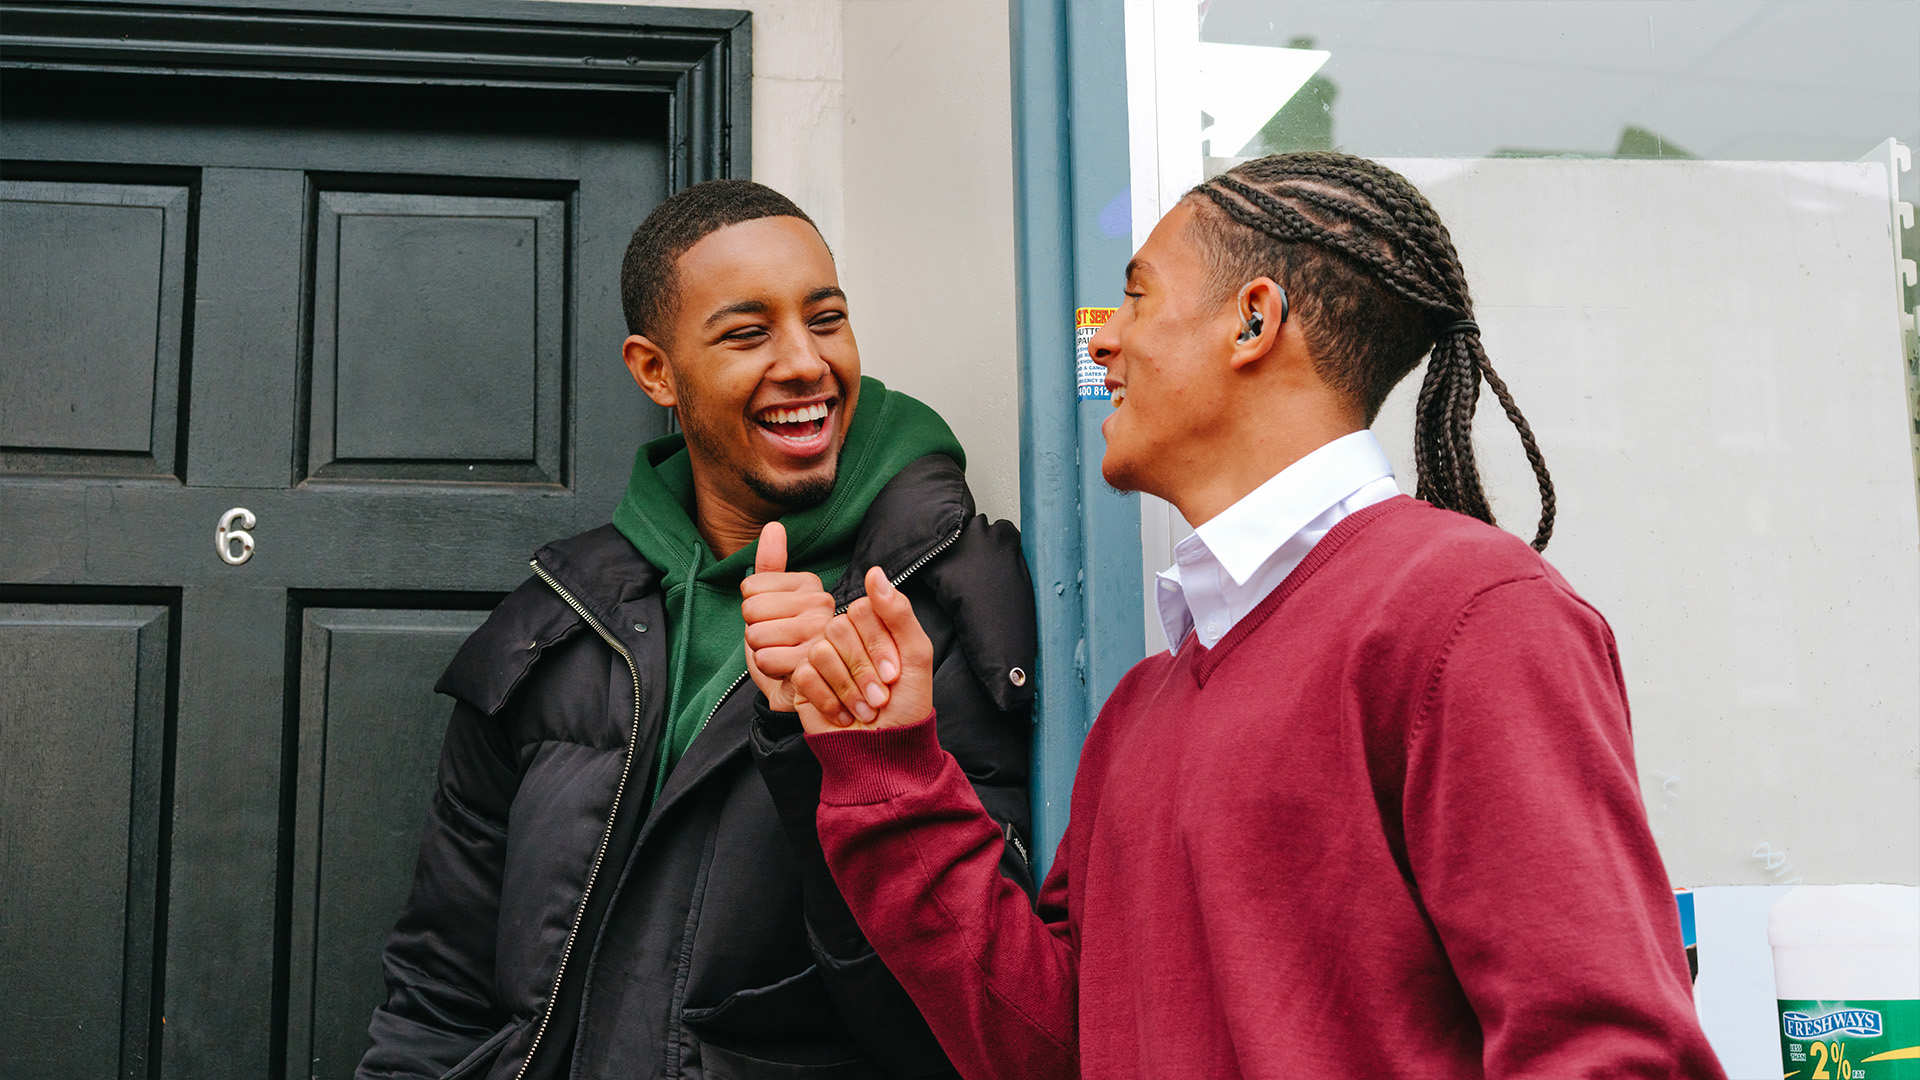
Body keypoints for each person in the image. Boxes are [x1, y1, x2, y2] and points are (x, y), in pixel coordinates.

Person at [748, 153, 1728, 1078]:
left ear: (1253, 323)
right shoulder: (1141, 708)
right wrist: (891, 768)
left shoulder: (1467, 615)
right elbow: (1059, 1053)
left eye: (1134, 299)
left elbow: (1609, 1049)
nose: (1105, 343)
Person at [358, 180, 1037, 1080]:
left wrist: (822, 744)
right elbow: (438, 991)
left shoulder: (937, 609)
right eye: (748, 333)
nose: (804, 363)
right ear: (655, 371)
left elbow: (960, 1019)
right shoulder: (555, 622)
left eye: (826, 319)